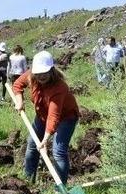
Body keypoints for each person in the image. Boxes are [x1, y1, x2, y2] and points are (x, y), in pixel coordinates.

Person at [12, 51, 79, 184]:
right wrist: (20, 101)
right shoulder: (31, 76)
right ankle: (28, 182)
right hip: (42, 116)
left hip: (66, 118)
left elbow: (53, 116)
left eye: (44, 72)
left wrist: (45, 140)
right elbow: (17, 85)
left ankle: (60, 189)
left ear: (51, 70)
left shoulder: (59, 87)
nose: (41, 76)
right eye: (38, 73)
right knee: (32, 146)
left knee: (58, 152)